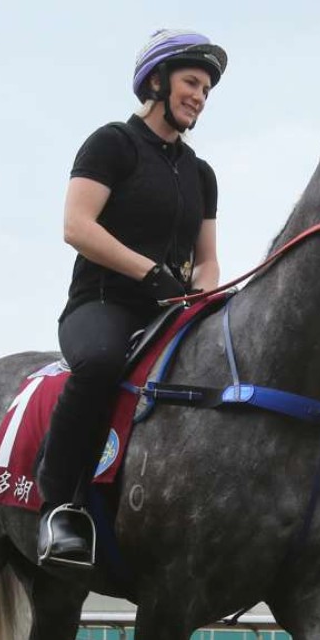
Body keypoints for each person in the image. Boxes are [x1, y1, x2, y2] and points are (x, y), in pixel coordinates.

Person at [37, 30, 226, 568]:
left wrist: (206, 289)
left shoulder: (201, 174)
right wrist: (151, 275)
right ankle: (60, 508)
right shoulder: (111, 143)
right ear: (158, 82)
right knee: (98, 364)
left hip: (171, 311)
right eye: (192, 82)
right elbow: (76, 226)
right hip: (103, 303)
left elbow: (207, 256)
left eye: (207, 89)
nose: (200, 96)